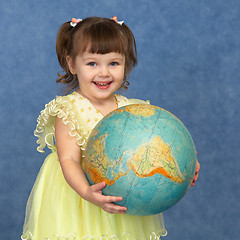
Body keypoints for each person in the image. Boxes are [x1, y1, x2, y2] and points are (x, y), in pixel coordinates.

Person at [21, 16, 200, 240]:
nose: (104, 72)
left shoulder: (133, 110)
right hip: (80, 201)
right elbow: (69, 160)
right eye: (92, 63)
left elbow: (158, 144)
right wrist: (87, 192)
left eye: (113, 63)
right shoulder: (69, 110)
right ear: (72, 64)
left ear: (126, 64)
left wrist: (183, 165)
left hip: (122, 198)